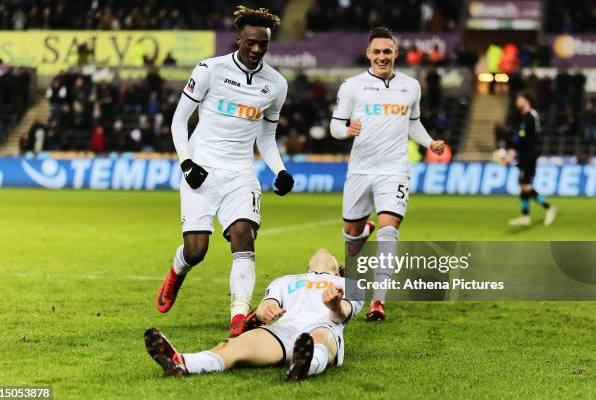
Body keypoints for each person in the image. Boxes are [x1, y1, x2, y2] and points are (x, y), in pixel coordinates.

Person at [156, 6, 294, 337]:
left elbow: (267, 136)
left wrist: (279, 169)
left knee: (243, 235)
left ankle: (238, 318)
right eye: (251, 43)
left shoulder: (276, 84)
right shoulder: (209, 70)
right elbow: (179, 120)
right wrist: (186, 162)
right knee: (196, 251)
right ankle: (177, 272)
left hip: (240, 174)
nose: (257, 50)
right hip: (200, 170)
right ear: (238, 39)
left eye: (263, 44)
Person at [329, 27, 445, 321]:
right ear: (368, 54)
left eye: (387, 51)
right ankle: (361, 232)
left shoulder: (411, 86)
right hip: (361, 169)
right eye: (377, 52)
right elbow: (335, 126)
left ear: (396, 53)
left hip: (394, 169)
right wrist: (346, 130)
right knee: (351, 237)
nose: (382, 57)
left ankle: (378, 301)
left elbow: (413, 123)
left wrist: (429, 142)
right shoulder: (352, 86)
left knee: (390, 230)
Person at [145, 248, 363, 381]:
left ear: (337, 270)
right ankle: (183, 362)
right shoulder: (285, 280)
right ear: (306, 268)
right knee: (233, 345)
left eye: (331, 256)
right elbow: (266, 305)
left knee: (321, 340)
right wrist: (263, 311)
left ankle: (305, 365)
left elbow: (343, 314)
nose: (322, 252)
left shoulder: (349, 284)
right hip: (283, 329)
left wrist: (334, 305)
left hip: (322, 327)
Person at [508, 92, 556, 227]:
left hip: (529, 154)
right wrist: (514, 150)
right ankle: (525, 216)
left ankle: (549, 208)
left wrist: (514, 150)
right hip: (523, 154)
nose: (517, 102)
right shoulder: (523, 117)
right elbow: (519, 137)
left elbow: (527, 137)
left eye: (519, 99)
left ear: (526, 100)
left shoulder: (532, 115)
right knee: (523, 185)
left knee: (526, 185)